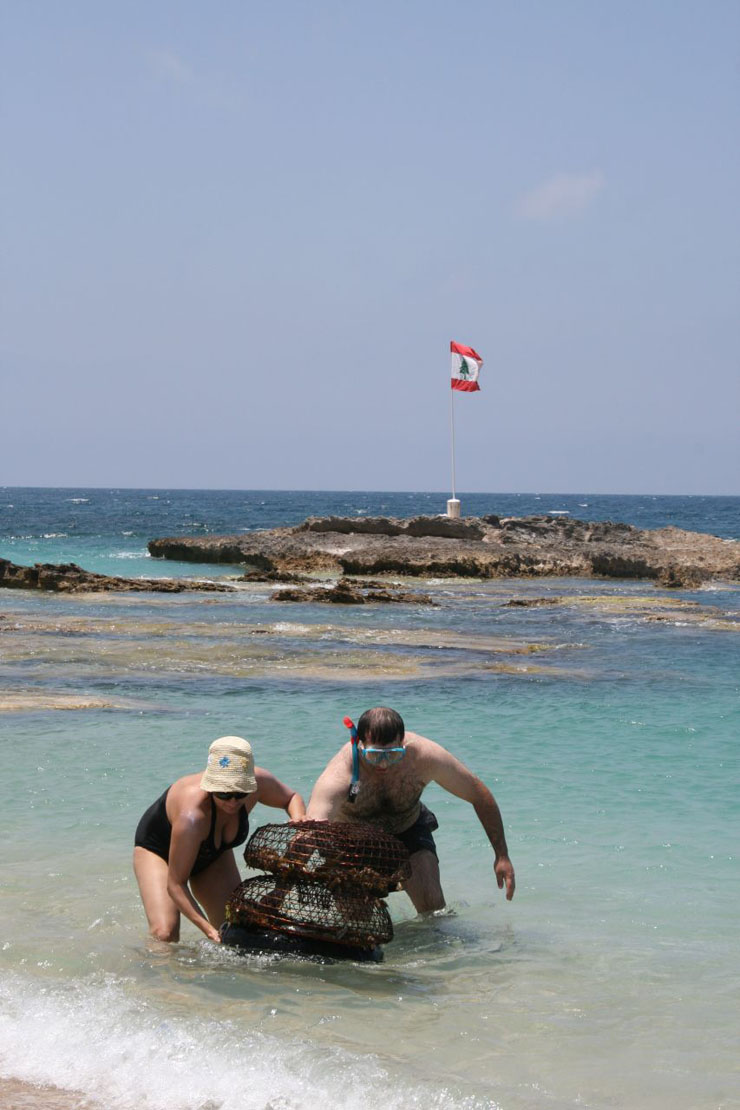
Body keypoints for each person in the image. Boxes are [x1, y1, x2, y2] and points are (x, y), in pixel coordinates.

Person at [306, 707, 515, 913]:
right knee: (356, 918)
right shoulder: (340, 775)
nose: (384, 764)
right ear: (359, 745)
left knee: (433, 907)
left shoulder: (425, 757)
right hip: (352, 842)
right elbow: (316, 825)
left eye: (393, 754)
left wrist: (502, 855)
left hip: (408, 829)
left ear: (403, 742)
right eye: (375, 755)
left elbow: (479, 795)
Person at [134, 735, 305, 943]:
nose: (233, 801)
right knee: (165, 933)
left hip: (211, 855)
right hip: (159, 852)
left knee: (235, 929)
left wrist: (299, 823)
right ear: (210, 787)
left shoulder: (258, 784)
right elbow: (176, 884)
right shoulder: (192, 817)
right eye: (223, 794)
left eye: (240, 793)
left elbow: (291, 798)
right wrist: (207, 929)